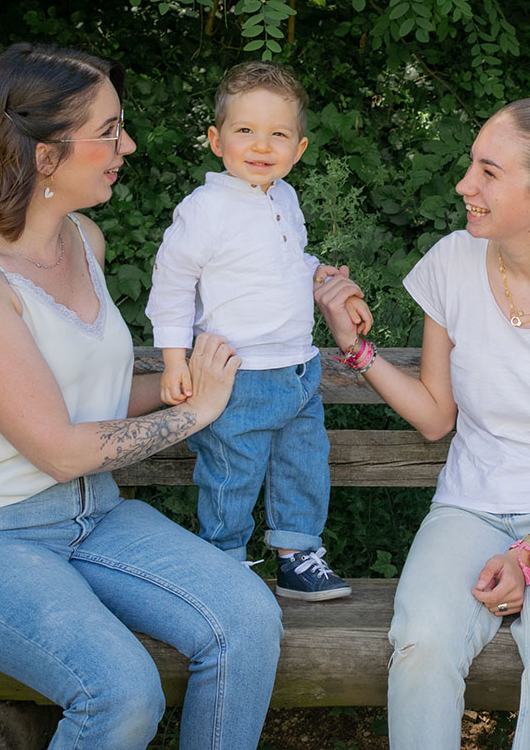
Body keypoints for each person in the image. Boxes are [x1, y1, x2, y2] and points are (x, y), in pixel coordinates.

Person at [0, 43, 283, 750]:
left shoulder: (85, 238)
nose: (126, 145)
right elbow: (57, 447)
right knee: (121, 692)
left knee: (248, 620)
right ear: (44, 154)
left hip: (93, 519)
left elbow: (92, 393)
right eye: (109, 130)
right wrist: (193, 414)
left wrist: (196, 379)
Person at [315, 97, 530, 749]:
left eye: (488, 172)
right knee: (422, 639)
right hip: (470, 511)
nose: (464, 186)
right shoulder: (452, 262)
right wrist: (354, 347)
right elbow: (434, 417)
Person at [146, 61, 370, 600]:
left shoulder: (284, 199)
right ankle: (222, 561)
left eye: (278, 134)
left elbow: (288, 258)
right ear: (215, 139)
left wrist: (324, 276)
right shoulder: (205, 210)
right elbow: (173, 284)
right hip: (236, 376)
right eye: (245, 130)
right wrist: (175, 359)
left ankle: (297, 556)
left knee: (303, 463)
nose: (261, 144)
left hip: (298, 368)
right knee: (231, 472)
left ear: (299, 148)